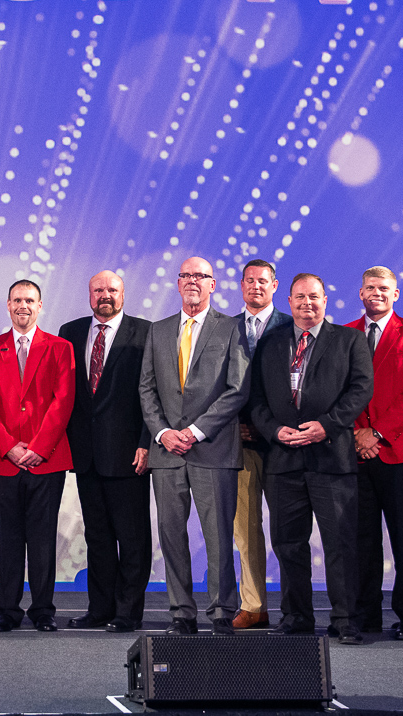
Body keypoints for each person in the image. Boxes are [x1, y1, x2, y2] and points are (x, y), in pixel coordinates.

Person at [248, 273, 373, 644]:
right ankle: (296, 616)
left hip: (331, 458)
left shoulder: (350, 340)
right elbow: (255, 399)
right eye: (300, 297)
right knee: (288, 544)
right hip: (283, 460)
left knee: (340, 543)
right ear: (289, 301)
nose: (307, 303)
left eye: (314, 297)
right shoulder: (270, 343)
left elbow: (361, 389)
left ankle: (346, 619)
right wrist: (273, 431)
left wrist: (327, 426)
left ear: (326, 299)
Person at [138, 257, 251, 635]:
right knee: (171, 535)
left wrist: (197, 431)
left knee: (219, 535)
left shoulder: (232, 328)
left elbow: (238, 389)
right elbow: (146, 388)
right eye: (186, 275)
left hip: (213, 449)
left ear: (213, 285)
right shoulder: (159, 330)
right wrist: (162, 433)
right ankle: (181, 612)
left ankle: (221, 610)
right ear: (177, 282)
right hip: (167, 453)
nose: (192, 281)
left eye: (200, 276)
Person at [0, 280, 75, 633]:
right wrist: (9, 446)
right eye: (17, 299)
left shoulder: (61, 348)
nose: (23, 306)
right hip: (3, 461)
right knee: (10, 539)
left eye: (29, 300)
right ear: (7, 305)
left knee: (43, 538)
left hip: (46, 459)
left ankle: (43, 610)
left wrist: (37, 448)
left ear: (40, 305)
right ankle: (7, 610)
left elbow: (63, 402)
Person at [346, 266, 403, 639]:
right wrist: (356, 434)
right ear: (361, 292)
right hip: (355, 454)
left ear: (395, 294)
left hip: (400, 451)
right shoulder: (345, 334)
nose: (376, 293)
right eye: (370, 287)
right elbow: (336, 391)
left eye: (384, 288)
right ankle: (365, 616)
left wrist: (377, 434)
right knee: (362, 540)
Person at [61, 270, 151, 633]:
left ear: (123, 294)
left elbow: (152, 395)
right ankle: (99, 609)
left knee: (132, 538)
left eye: (112, 289)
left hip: (130, 454)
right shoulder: (70, 332)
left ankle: (128, 612)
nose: (105, 295)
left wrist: (147, 442)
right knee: (96, 536)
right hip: (86, 455)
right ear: (89, 294)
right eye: (98, 289)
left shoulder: (145, 333)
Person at [232, 259, 290, 630]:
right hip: (237, 441)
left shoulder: (292, 324)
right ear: (241, 286)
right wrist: (235, 424)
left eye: (263, 281)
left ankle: (294, 607)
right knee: (246, 527)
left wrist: (270, 426)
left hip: (284, 441)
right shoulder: (225, 327)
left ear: (275, 285)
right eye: (249, 281)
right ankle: (253, 605)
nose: (256, 286)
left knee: (287, 528)